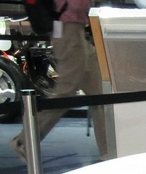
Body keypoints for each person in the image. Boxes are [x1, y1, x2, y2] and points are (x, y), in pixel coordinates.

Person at [10, 0, 107, 163]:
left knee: (100, 94)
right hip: (68, 32)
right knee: (66, 92)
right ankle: (25, 140)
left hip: (74, 32)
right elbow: (78, 5)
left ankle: (108, 150)